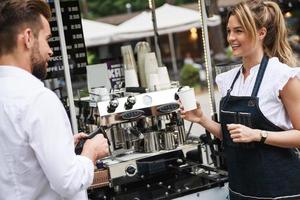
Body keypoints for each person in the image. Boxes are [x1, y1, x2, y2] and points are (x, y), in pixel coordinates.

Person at [181, 0, 300, 199]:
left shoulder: (282, 77)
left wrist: (258, 135)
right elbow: (232, 137)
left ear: (261, 33)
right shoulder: (229, 80)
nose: (231, 38)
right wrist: (202, 119)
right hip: (241, 190)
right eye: (228, 31)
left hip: (280, 190)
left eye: (239, 31)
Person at [0, 1, 109, 200]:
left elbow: (16, 160)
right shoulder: (38, 99)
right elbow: (69, 182)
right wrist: (91, 152)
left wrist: (62, 146)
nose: (50, 50)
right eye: (47, 39)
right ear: (28, 38)